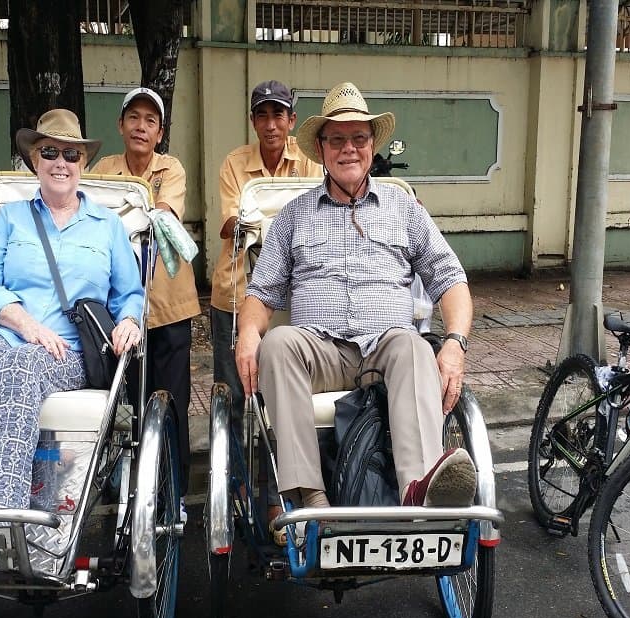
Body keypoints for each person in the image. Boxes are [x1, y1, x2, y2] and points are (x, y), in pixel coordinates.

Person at [235, 82, 478, 512]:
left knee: (415, 347)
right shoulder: (293, 216)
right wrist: (248, 334)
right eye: (337, 139)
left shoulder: (404, 209)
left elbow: (450, 278)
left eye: (359, 138)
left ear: (371, 146)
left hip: (387, 350)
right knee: (277, 343)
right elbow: (261, 292)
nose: (349, 148)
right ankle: (311, 498)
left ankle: (417, 492)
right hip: (320, 351)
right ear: (321, 149)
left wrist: (456, 344)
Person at [0, 109, 144, 512]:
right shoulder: (11, 217)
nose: (60, 163)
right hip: (7, 332)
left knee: (22, 364)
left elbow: (129, 293)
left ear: (83, 163)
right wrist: (25, 323)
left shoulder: (107, 225)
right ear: (35, 160)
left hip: (68, 349)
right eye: (50, 152)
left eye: (71, 154)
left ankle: (1, 514)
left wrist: (131, 320)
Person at [91, 87, 199, 499]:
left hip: (169, 306)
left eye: (150, 121)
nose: (141, 127)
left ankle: (174, 495)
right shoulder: (103, 170)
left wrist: (121, 215)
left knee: (171, 402)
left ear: (160, 133)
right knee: (126, 402)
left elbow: (162, 213)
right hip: (120, 310)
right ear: (121, 125)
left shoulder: (171, 168)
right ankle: (126, 492)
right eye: (133, 118)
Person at [211, 80, 323, 441]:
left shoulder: (311, 160)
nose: (271, 125)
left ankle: (279, 466)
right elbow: (230, 222)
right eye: (262, 116)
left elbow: (321, 218)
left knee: (287, 390)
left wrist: (268, 219)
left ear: (292, 120)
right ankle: (233, 469)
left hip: (295, 295)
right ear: (253, 121)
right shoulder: (235, 163)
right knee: (232, 391)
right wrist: (262, 222)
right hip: (237, 290)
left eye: (278, 115)